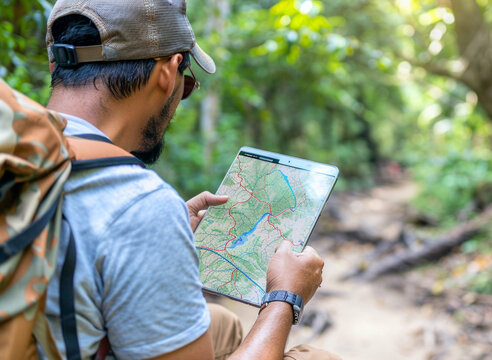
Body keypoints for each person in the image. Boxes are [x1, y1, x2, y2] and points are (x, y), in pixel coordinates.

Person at [42, 0, 340, 359]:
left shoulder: (20, 150)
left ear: (54, 65)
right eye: (186, 85)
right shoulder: (139, 206)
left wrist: (161, 240)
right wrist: (284, 297)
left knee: (222, 324)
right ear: (168, 72)